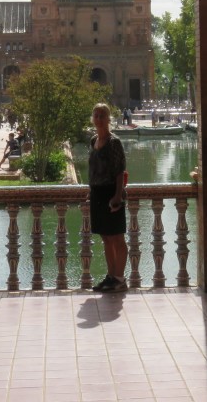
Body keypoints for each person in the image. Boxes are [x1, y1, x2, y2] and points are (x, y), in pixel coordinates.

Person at [88, 102, 128, 292]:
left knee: (117, 237)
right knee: (106, 237)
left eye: (102, 115)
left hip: (112, 193)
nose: (99, 119)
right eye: (96, 115)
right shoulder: (93, 141)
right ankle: (111, 276)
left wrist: (118, 196)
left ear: (108, 118)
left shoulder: (114, 142)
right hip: (97, 193)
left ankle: (120, 279)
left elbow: (120, 171)